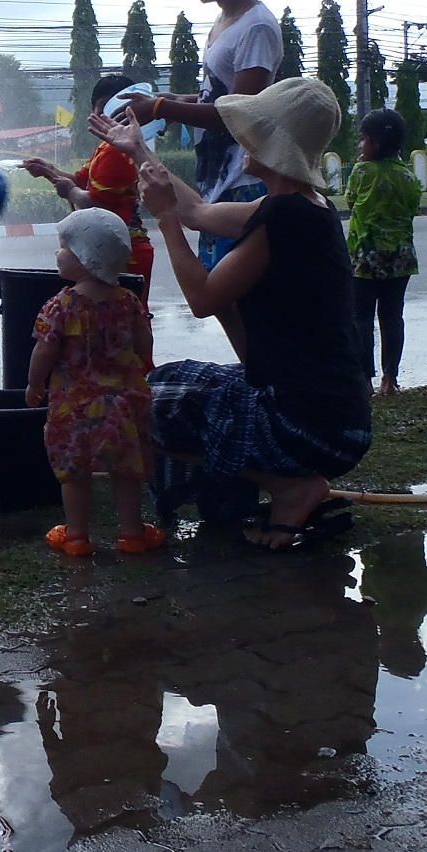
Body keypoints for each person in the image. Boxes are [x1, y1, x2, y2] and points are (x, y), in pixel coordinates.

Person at [91, 77, 370, 549]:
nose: (241, 138)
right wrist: (139, 151)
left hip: (312, 428)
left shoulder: (284, 216)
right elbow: (198, 212)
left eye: (252, 130)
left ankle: (290, 486)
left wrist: (164, 219)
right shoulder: (302, 205)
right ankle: (244, 489)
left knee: (138, 403)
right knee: (165, 380)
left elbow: (202, 299)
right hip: (336, 418)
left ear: (271, 144)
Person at [118, 0, 281, 270]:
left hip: (243, 184)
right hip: (218, 182)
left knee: (230, 294)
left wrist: (161, 107)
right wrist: (176, 101)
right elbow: (221, 98)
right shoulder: (224, 23)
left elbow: (238, 113)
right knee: (219, 289)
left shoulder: (257, 28)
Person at [28, 208, 162, 558]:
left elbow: (44, 350)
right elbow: (144, 344)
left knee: (74, 471)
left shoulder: (59, 306)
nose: (57, 253)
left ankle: (76, 537)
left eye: (64, 247)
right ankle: (132, 534)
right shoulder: (128, 301)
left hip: (73, 405)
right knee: (125, 469)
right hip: (124, 403)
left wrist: (33, 384)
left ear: (87, 258)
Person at [23, 72, 155, 304]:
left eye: (116, 108)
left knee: (116, 318)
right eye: (102, 107)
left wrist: (69, 192)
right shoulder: (107, 147)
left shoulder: (117, 151)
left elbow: (97, 204)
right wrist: (48, 170)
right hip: (109, 248)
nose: (107, 115)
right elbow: (79, 180)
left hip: (122, 254)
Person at [344, 108, 421, 395]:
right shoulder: (408, 176)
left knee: (361, 318)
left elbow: (351, 202)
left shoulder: (362, 171)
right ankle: (390, 379)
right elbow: (412, 209)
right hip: (400, 258)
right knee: (392, 316)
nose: (360, 145)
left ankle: (365, 380)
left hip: (365, 257)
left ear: (375, 143)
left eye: (363, 139)